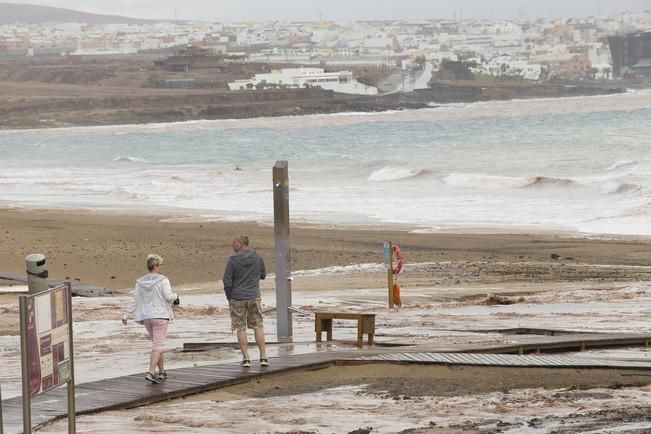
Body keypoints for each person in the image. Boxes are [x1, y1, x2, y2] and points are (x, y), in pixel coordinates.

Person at [122, 254, 179, 384]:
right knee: (158, 346)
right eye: (161, 265)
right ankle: (151, 372)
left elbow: (135, 299)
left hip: (147, 316)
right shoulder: (163, 280)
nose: (163, 267)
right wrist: (176, 296)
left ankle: (162, 372)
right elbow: (168, 296)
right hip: (160, 315)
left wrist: (126, 314)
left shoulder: (140, 281)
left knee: (157, 345)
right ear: (155, 266)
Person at [223, 234, 268, 368]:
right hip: (254, 296)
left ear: (241, 244)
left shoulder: (233, 260)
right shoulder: (257, 257)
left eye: (234, 243)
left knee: (240, 328)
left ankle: (246, 358)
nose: (232, 245)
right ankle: (263, 356)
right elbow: (263, 275)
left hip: (237, 297)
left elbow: (227, 281)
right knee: (258, 326)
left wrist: (229, 297)